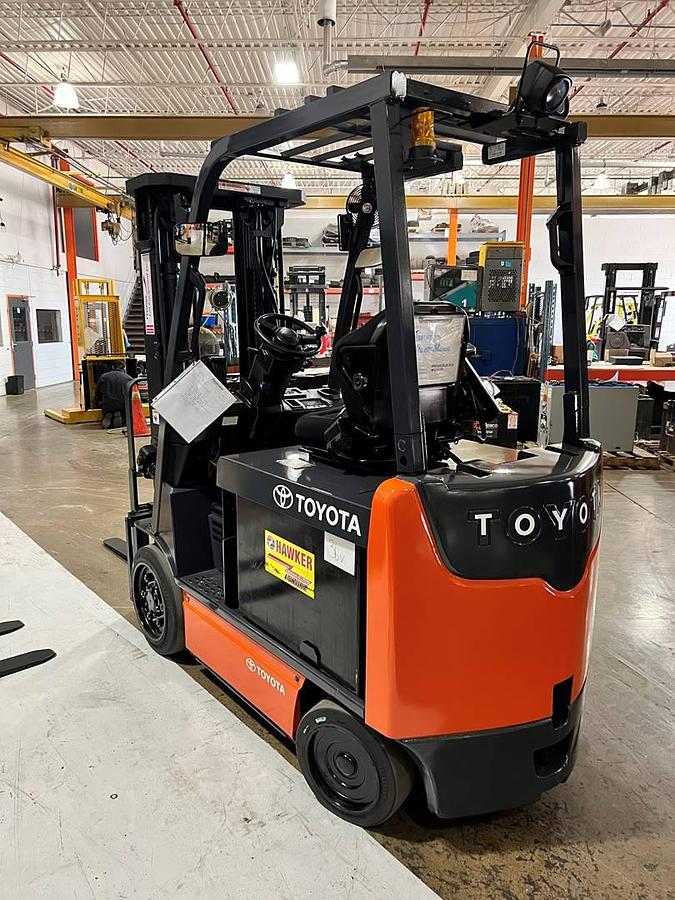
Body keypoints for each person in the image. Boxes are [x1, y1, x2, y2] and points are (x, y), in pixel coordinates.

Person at [95, 361, 132, 429]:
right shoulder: (128, 378)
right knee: (122, 412)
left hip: (107, 403)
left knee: (108, 409)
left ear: (112, 367)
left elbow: (98, 391)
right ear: (123, 368)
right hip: (122, 404)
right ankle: (119, 417)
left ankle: (108, 415)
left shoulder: (104, 376)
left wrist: (99, 401)